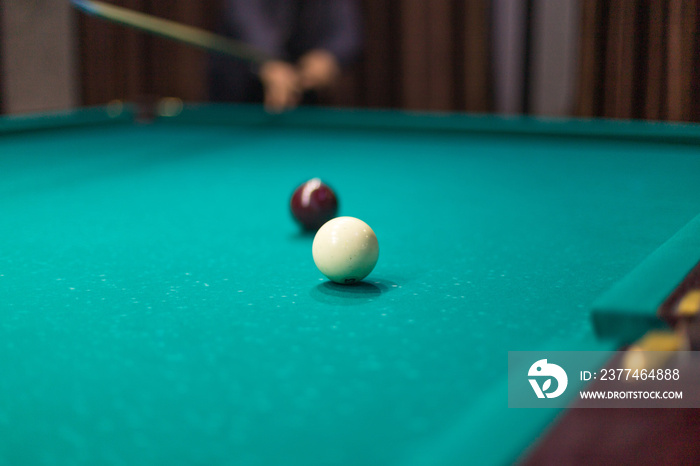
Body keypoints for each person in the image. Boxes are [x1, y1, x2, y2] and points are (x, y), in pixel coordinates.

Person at [209, 0, 362, 112]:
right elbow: (245, 17)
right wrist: (269, 60)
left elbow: (347, 33)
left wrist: (329, 56)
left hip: (302, 94)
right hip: (239, 92)